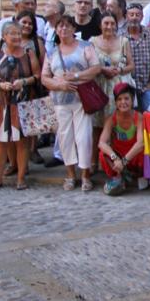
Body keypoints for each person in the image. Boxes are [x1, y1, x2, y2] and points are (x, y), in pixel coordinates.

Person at [42, 17, 101, 192]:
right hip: (60, 101)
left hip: (81, 100)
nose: (64, 29)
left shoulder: (85, 47)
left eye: (67, 26)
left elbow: (96, 68)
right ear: (56, 30)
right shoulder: (52, 52)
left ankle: (85, 175)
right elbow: (44, 77)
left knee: (84, 137)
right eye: (60, 26)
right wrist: (59, 85)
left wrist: (76, 77)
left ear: (73, 29)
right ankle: (70, 175)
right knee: (65, 138)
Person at [0, 21, 41, 191]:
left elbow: (37, 75)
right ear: (4, 37)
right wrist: (0, 86)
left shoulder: (28, 53)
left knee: (23, 142)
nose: (17, 36)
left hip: (23, 102)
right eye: (13, 33)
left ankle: (21, 178)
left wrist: (23, 82)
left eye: (18, 33)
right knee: (1, 142)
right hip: (2, 103)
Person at [98, 83, 148, 195]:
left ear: (132, 100)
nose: (123, 102)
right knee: (102, 154)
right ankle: (118, 176)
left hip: (133, 157)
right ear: (115, 102)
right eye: (119, 99)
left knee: (144, 151)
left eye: (126, 98)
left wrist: (124, 161)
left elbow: (140, 144)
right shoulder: (111, 119)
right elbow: (101, 143)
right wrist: (115, 158)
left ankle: (139, 175)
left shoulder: (139, 117)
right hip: (119, 157)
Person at [91, 13, 135, 120]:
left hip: (118, 87)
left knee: (118, 120)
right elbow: (88, 65)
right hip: (98, 85)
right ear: (100, 25)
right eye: (106, 23)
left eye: (112, 23)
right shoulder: (92, 42)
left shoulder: (123, 41)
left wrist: (119, 70)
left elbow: (131, 65)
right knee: (97, 121)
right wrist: (102, 69)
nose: (109, 26)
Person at [124, 2, 150, 112]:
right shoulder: (120, 36)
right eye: (131, 14)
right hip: (127, 86)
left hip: (146, 86)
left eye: (137, 15)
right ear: (126, 16)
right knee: (129, 116)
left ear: (142, 17)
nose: (134, 17)